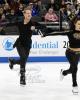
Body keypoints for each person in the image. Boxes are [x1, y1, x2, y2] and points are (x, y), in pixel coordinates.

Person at [8, 6, 47, 85]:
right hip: (19, 43)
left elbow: (44, 27)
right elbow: (9, 24)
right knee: (23, 58)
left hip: (28, 44)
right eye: (28, 13)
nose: (29, 14)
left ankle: (13, 62)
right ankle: (22, 78)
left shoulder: (33, 23)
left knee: (24, 60)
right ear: (24, 14)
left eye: (30, 13)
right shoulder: (20, 23)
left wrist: (35, 27)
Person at [41, 16, 80, 94]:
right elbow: (58, 33)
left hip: (78, 54)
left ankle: (64, 72)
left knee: (72, 69)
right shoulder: (70, 32)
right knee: (75, 69)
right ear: (75, 24)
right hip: (70, 53)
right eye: (79, 24)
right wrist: (46, 34)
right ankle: (74, 86)